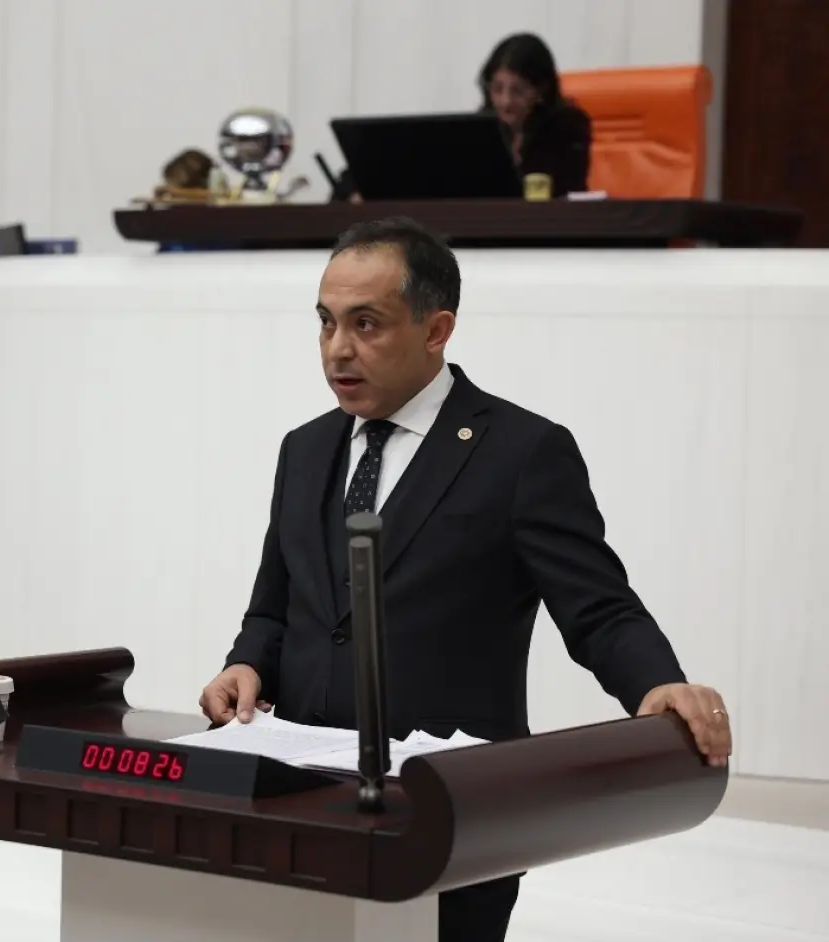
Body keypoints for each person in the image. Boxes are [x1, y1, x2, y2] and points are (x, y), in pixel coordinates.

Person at [198, 217, 732, 942]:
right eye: (325, 322)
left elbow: (599, 609)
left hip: (449, 811)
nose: (337, 349)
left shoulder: (521, 453)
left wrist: (656, 683)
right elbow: (276, 605)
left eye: (366, 324)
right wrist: (247, 662)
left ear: (437, 329)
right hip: (297, 798)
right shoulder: (306, 448)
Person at [478, 32, 591, 195]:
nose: (506, 101)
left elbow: (566, 190)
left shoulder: (568, 126)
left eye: (518, 91)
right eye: (497, 89)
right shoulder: (480, 129)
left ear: (541, 90)